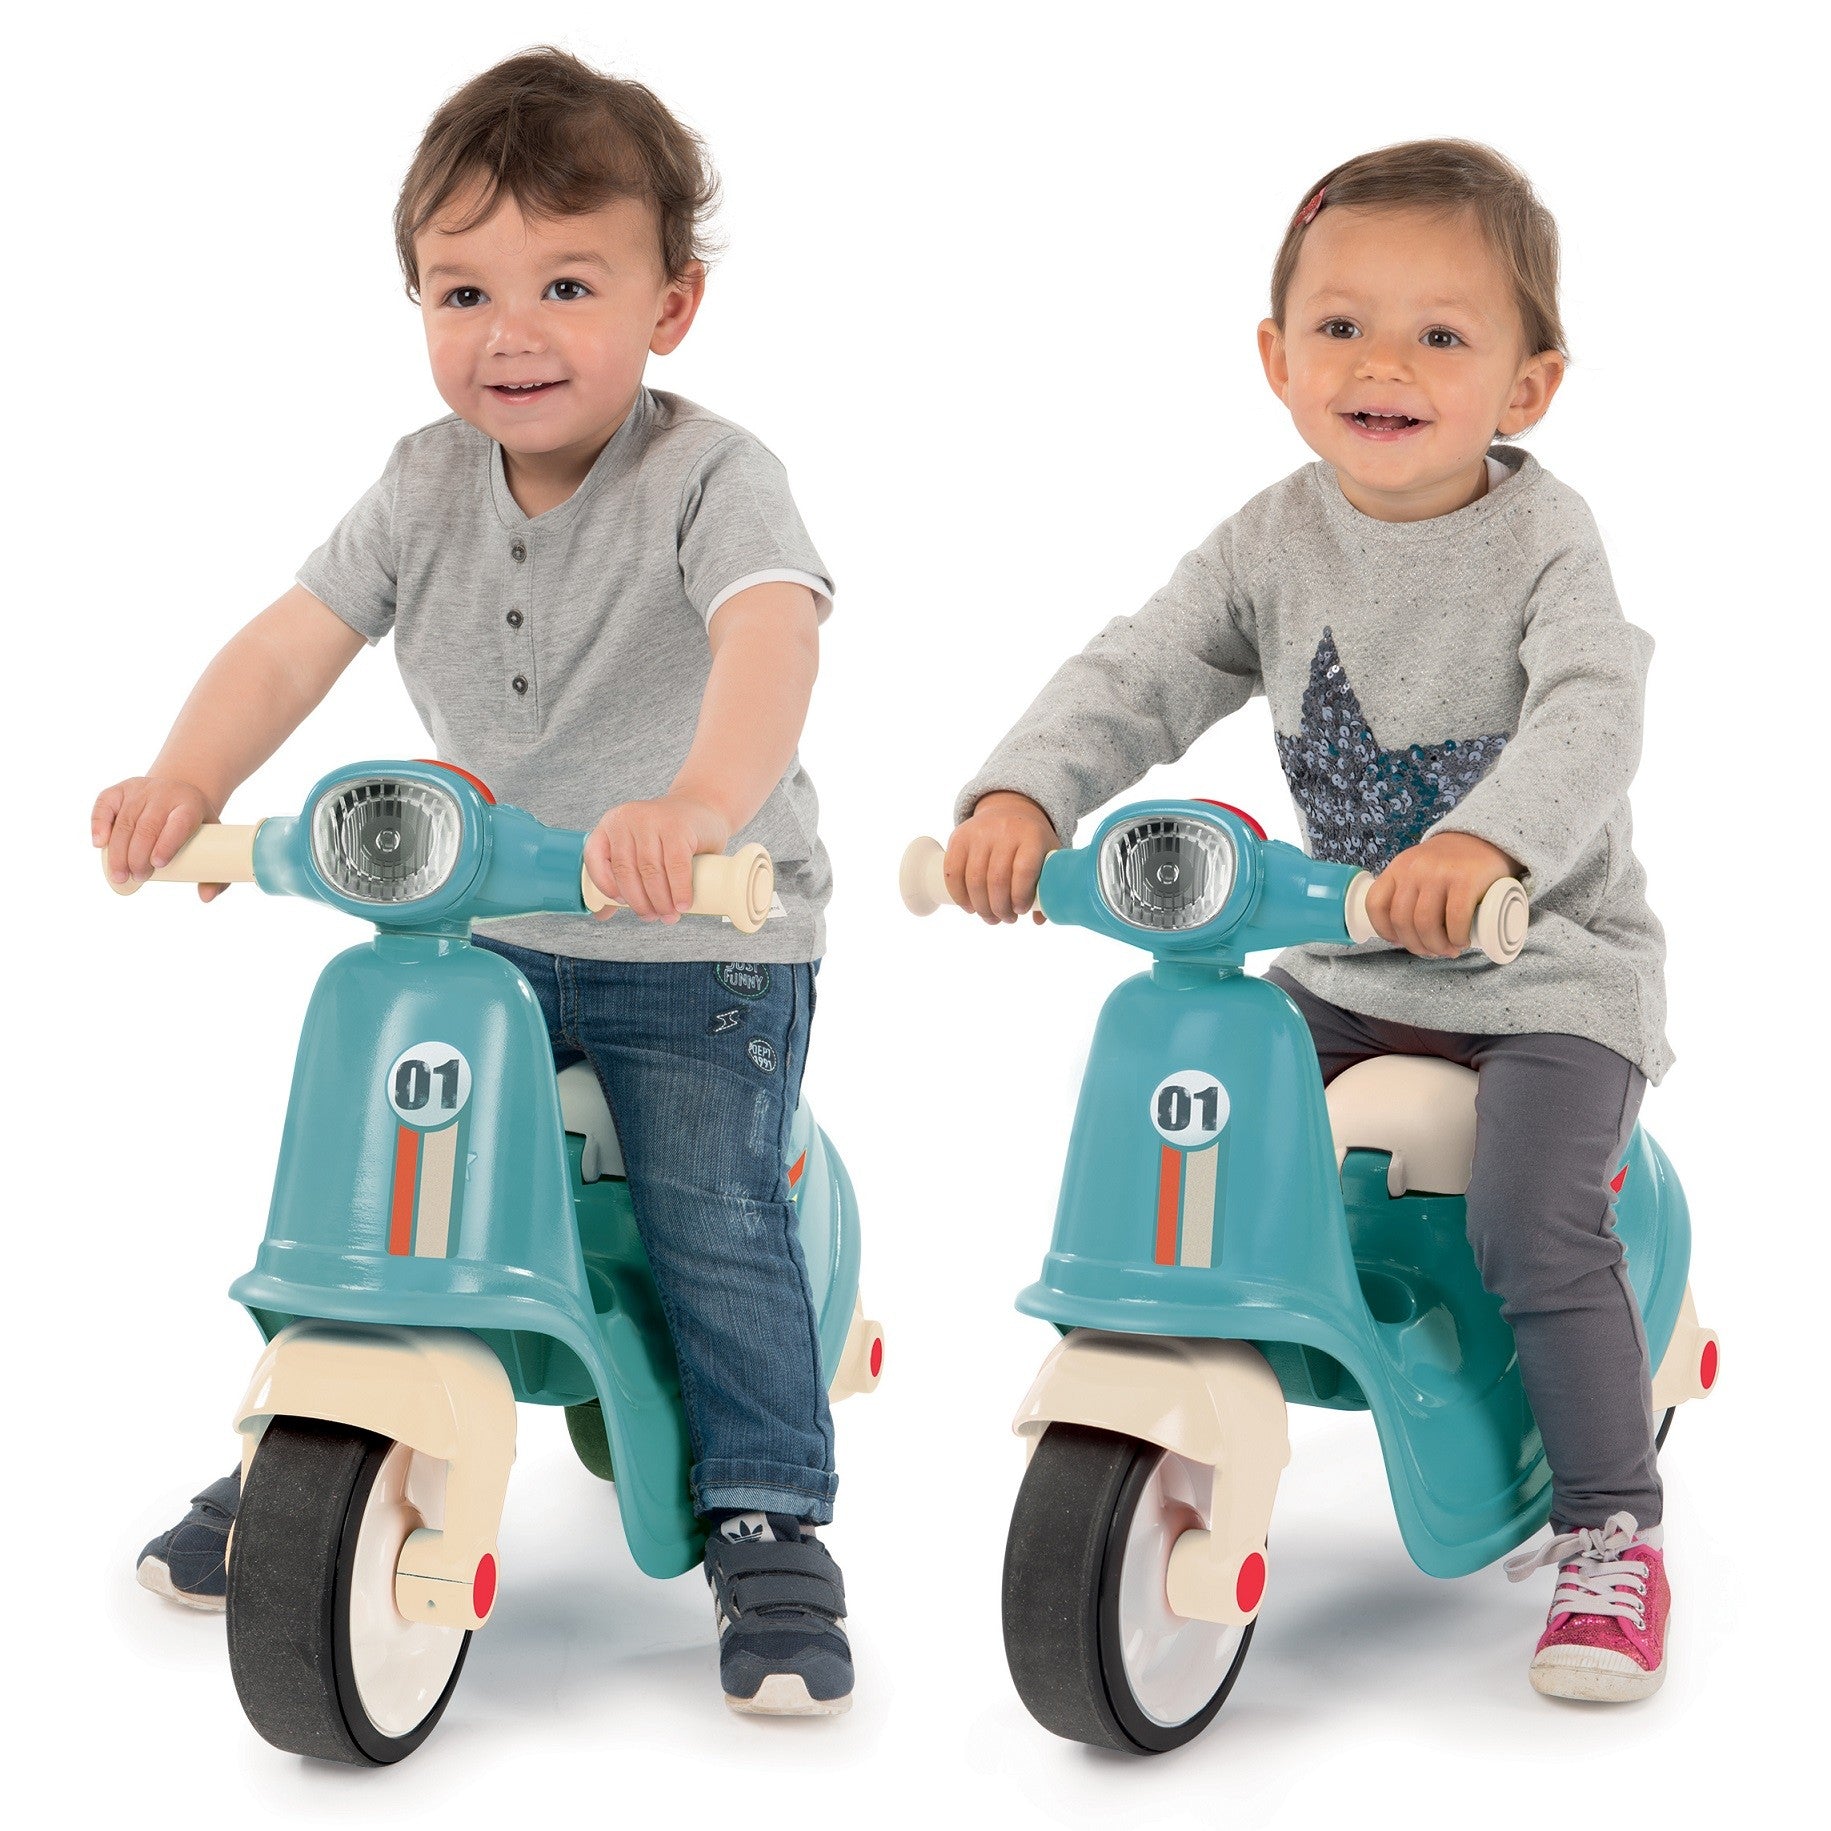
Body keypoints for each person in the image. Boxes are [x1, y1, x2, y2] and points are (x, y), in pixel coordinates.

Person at [93, 47, 852, 1717]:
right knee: (379, 1164)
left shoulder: (712, 478)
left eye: (567, 284)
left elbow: (769, 636)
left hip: (692, 938)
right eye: (463, 291)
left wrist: (700, 807)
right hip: (478, 931)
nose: (511, 331)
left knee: (707, 1209)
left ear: (671, 307)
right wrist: (188, 780)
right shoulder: (420, 482)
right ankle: (320, 1428)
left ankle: (767, 1508)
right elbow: (292, 640)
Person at [946, 140, 1674, 1703]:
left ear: (1528, 387)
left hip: (1541, 973)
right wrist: (1021, 794)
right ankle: (1191, 1380)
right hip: (1344, 965)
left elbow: (1591, 708)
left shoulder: (1547, 543)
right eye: (1342, 326)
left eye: (1439, 334)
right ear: (1277, 359)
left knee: (1530, 1219)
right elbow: (1143, 665)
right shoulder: (1272, 539)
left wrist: (1484, 843)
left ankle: (1613, 1525)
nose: (1382, 364)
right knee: (1195, 1134)